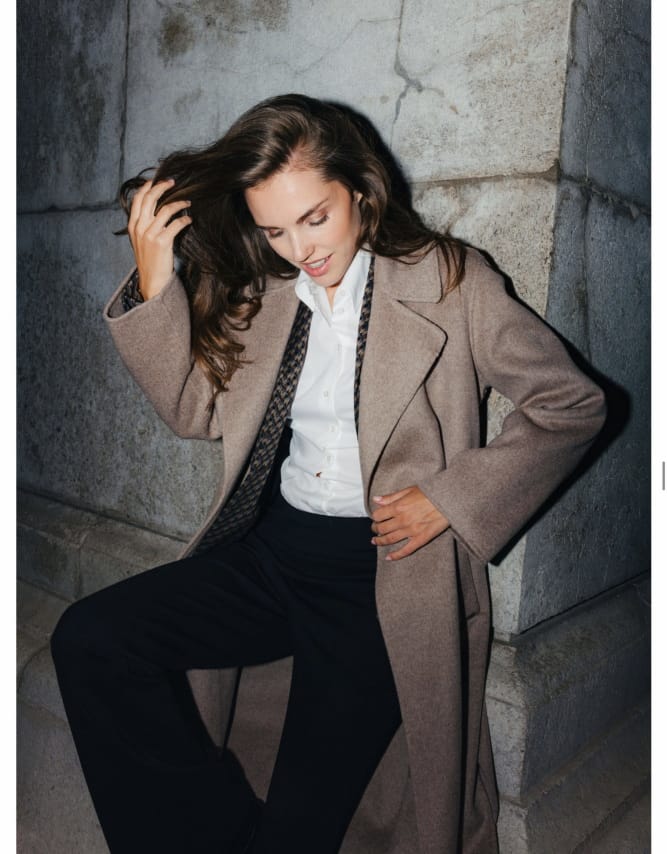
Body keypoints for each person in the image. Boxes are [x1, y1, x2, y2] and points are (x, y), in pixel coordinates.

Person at [50, 94, 606, 854]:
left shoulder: (450, 281)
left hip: (379, 581)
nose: (299, 248)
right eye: (275, 230)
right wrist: (155, 280)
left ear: (361, 190)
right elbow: (191, 411)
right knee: (92, 639)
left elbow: (570, 405)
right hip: (273, 556)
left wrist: (448, 498)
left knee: (300, 828)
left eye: (315, 218)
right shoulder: (268, 296)